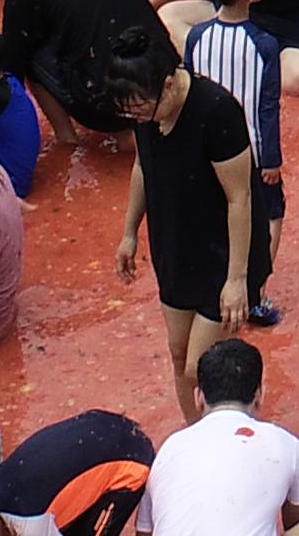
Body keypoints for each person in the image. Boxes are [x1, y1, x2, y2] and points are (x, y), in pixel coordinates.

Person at [116, 46, 265, 421]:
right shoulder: (144, 110)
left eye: (140, 107)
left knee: (202, 367)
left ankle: (227, 435)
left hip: (224, 251)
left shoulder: (216, 112)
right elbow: (142, 166)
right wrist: (130, 231)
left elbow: (240, 197)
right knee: (178, 352)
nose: (136, 116)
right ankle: (195, 432)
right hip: (176, 245)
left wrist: (237, 278)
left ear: (167, 86)